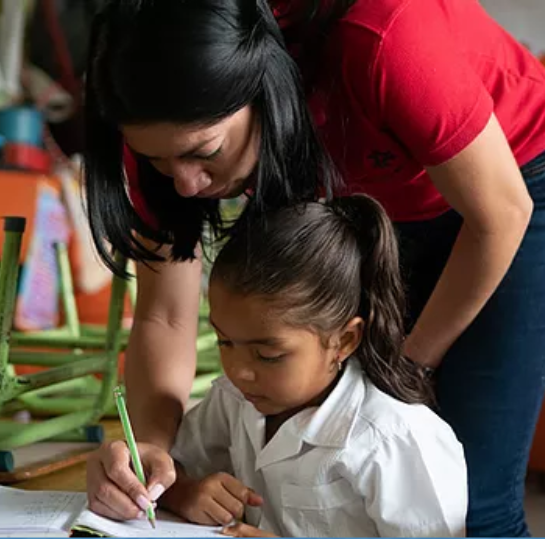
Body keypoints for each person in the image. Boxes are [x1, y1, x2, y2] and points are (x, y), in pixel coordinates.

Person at [82, 0, 545, 535]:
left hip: (514, 191)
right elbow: (164, 317)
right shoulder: (158, 124)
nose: (185, 183)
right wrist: (149, 455)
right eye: (158, 162)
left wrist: (405, 367)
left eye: (205, 152)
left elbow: (501, 212)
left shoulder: (380, 36)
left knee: (473, 495)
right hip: (372, 205)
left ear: (265, 86)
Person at [152, 195, 467, 537]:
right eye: (225, 342)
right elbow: (172, 464)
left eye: (268, 355)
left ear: (344, 341)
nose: (238, 370)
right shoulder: (234, 399)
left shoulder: (395, 441)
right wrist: (183, 493)